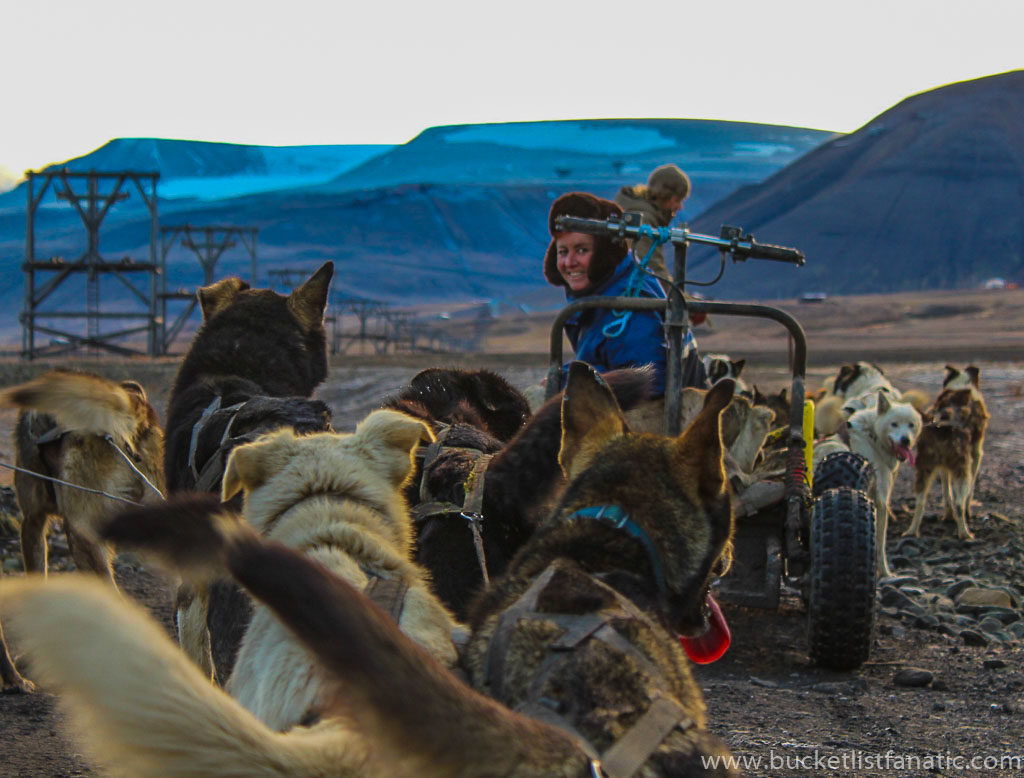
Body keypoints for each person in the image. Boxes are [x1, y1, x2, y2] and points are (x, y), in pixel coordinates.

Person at [543, 192, 707, 398]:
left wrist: (573, 382)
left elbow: (650, 384)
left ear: (604, 252)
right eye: (562, 252)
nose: (569, 262)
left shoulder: (628, 310)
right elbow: (610, 361)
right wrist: (568, 376)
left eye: (582, 250)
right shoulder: (607, 292)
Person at [614, 163, 691, 286]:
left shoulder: (637, 211)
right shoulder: (644, 220)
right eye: (677, 200)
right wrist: (682, 300)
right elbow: (652, 271)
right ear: (664, 195)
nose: (680, 207)